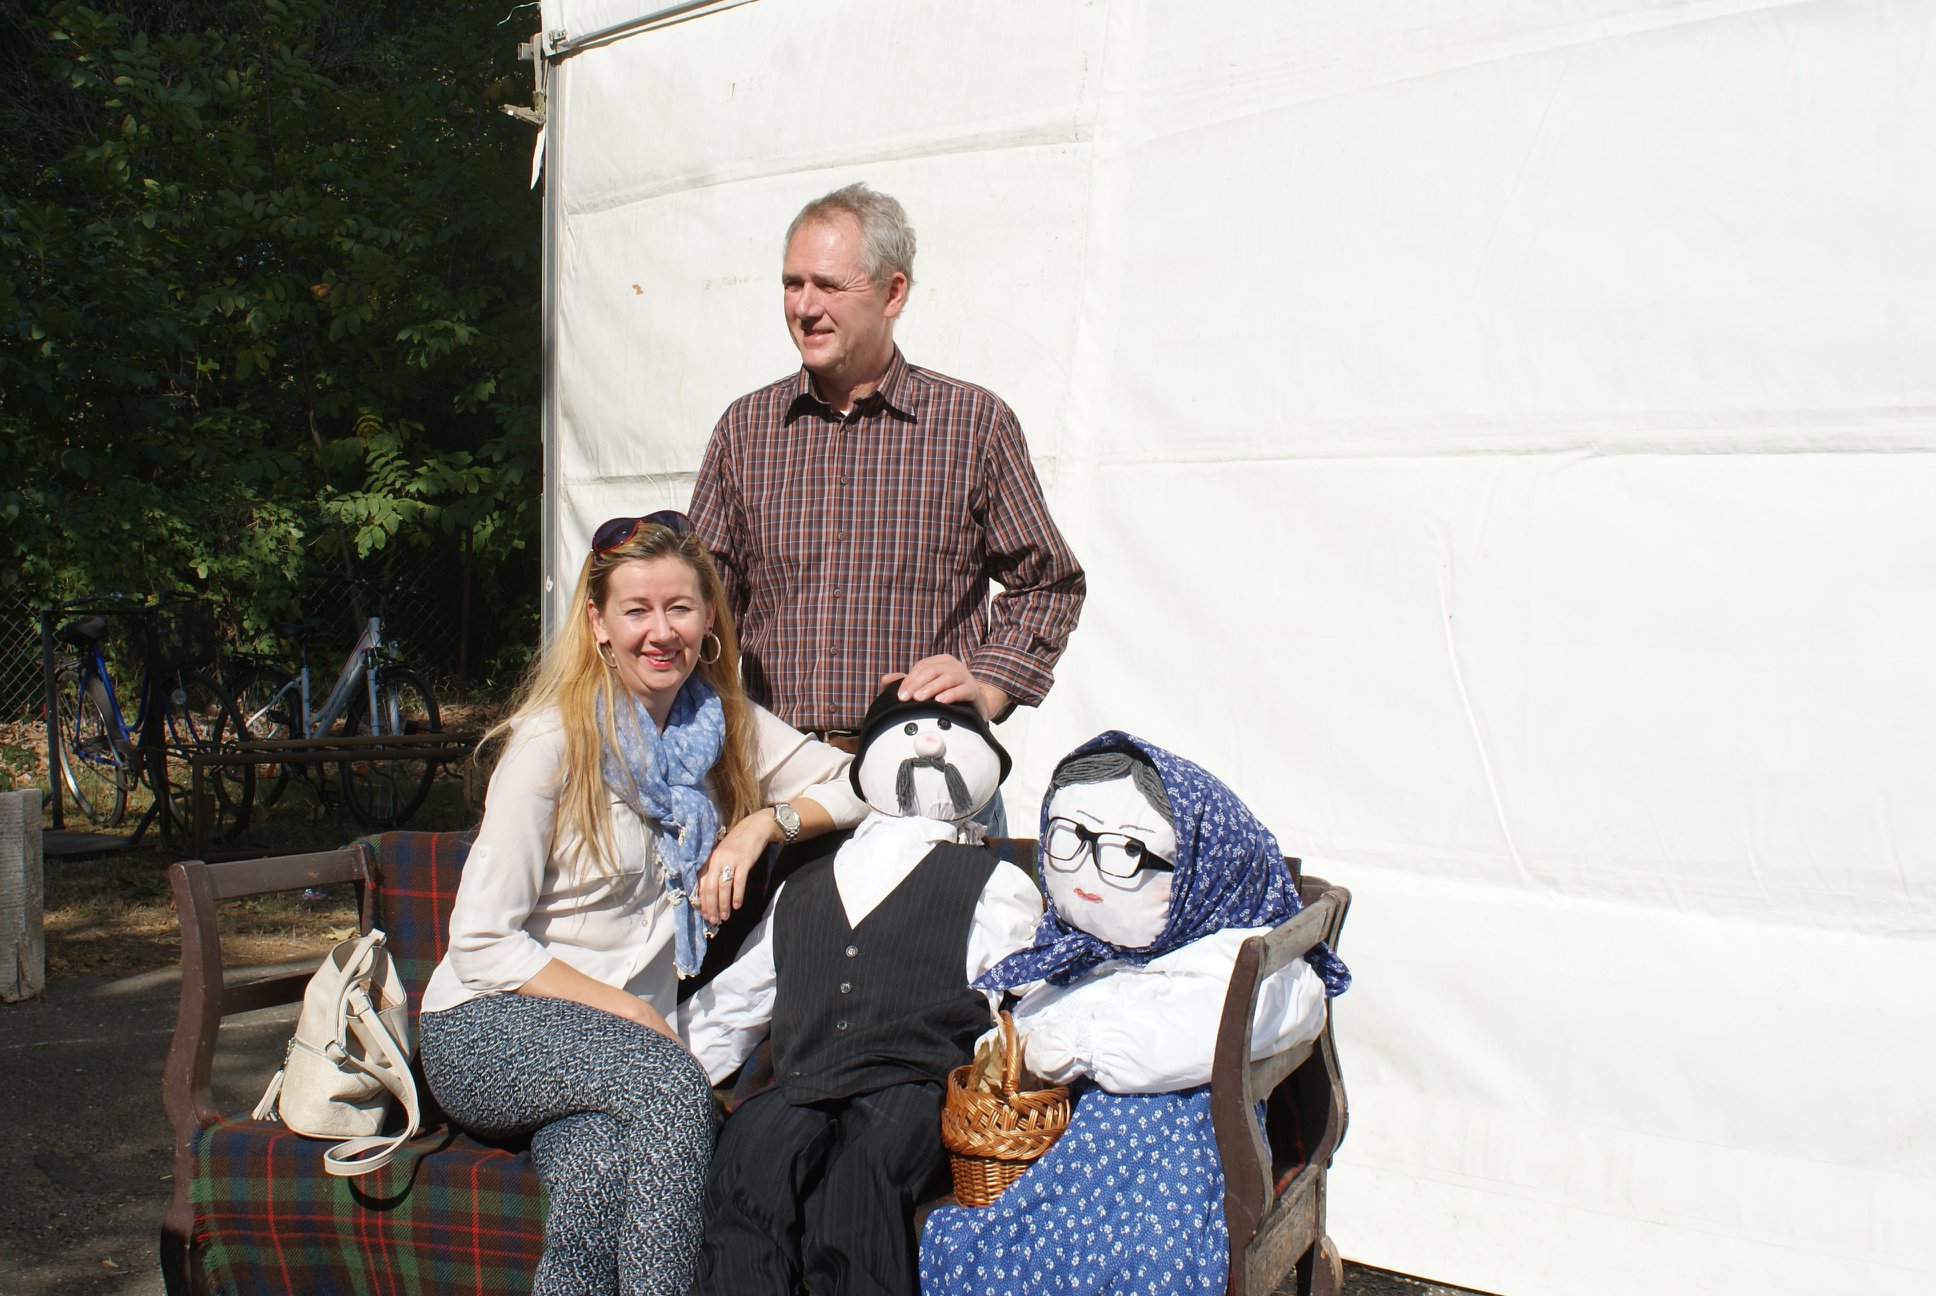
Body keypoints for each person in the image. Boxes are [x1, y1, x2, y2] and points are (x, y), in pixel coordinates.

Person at [415, 510, 867, 1296]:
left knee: (595, 1170)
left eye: (680, 608)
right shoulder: (551, 743)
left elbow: (864, 784)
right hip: (486, 1028)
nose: (661, 633)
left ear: (709, 618)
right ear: (598, 622)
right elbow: (481, 941)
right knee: (672, 1088)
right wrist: (628, 1013)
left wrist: (762, 823)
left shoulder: (722, 725)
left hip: (615, 1056)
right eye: (637, 610)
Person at [918, 733, 1351, 1296]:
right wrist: (1015, 1043)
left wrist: (1083, 1046)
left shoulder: (1237, 957)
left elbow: (1229, 1022)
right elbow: (1037, 1009)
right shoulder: (1090, 949)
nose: (1086, 876)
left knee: (1103, 1250)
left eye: (1125, 852)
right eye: (1067, 840)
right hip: (1054, 1138)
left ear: (1199, 866)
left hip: (1161, 1156)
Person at [688, 180, 1085, 780]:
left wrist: (987, 687)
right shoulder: (746, 431)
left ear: (892, 292)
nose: (805, 307)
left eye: (828, 285)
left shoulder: (971, 424)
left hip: (929, 777)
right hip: (778, 778)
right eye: (793, 284)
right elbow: (700, 606)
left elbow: (1048, 583)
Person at [682, 684, 1041, 1296]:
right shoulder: (803, 887)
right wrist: (668, 1064)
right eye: (909, 730)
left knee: (861, 1186)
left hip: (912, 1083)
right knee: (747, 1172)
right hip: (800, 1081)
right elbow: (740, 998)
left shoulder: (993, 884)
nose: (929, 745)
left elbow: (1026, 994)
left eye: (947, 732)